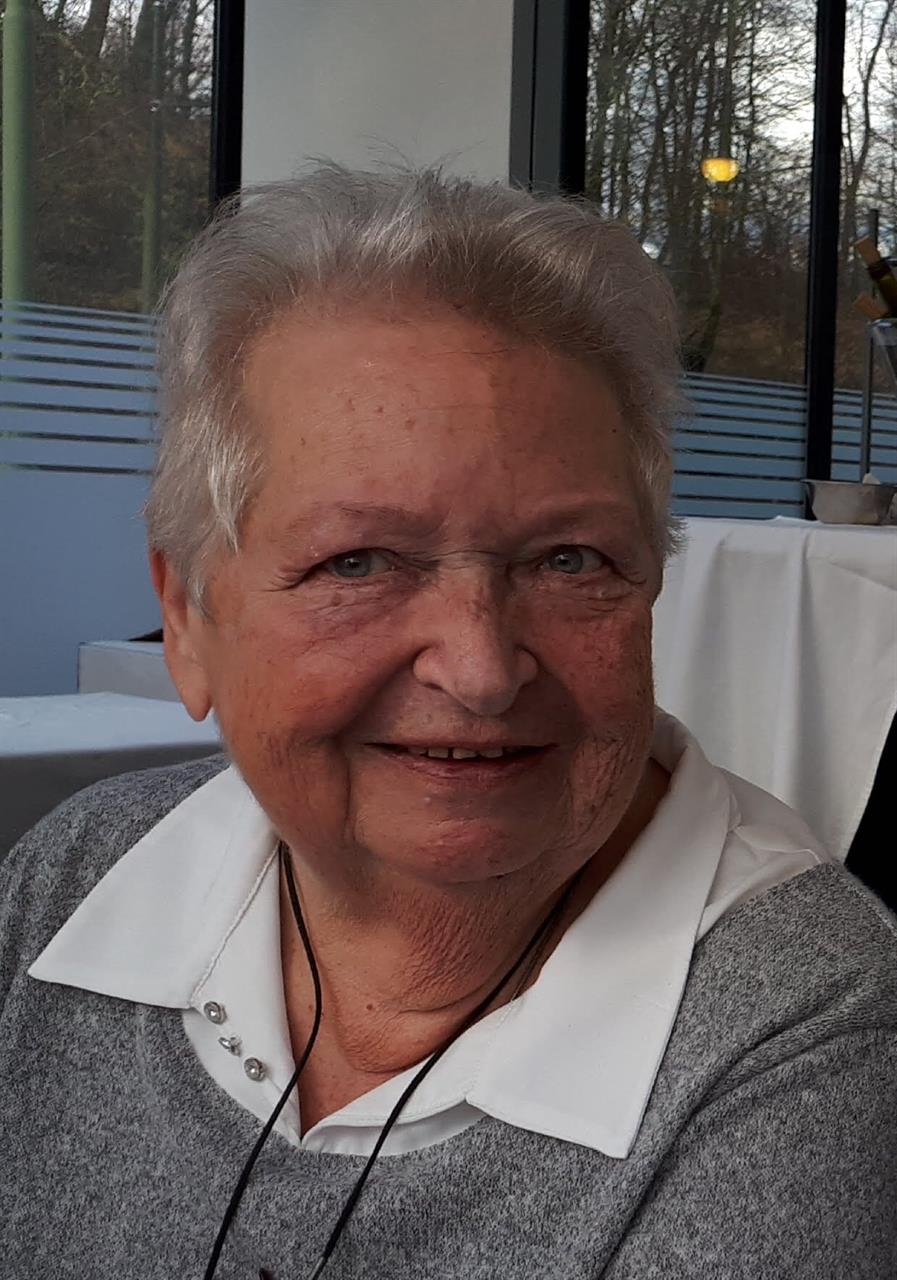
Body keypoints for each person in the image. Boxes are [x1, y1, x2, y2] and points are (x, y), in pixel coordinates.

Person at [1, 165, 895, 1280]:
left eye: (569, 560)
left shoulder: (813, 1024)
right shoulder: (75, 877)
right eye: (357, 562)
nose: (479, 670)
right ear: (186, 616)